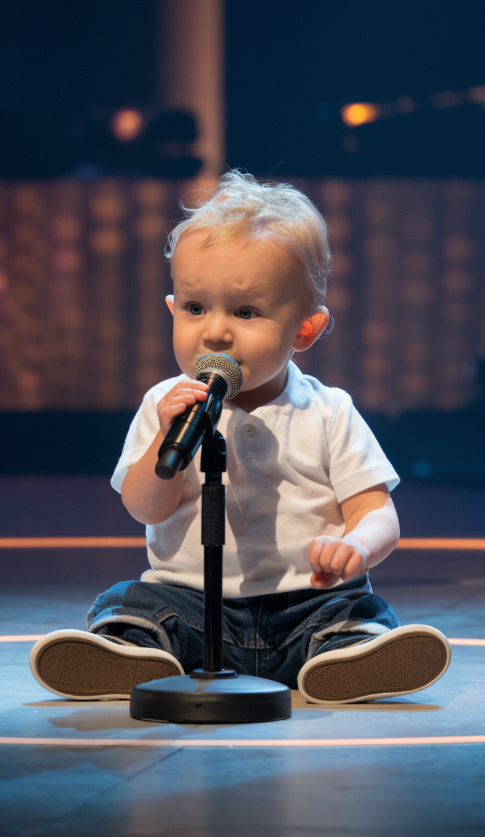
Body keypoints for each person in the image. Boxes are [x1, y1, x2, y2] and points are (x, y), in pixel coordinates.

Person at [30, 171, 451, 704]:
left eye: (246, 312)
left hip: (306, 603)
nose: (216, 331)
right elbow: (143, 508)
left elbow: (378, 511)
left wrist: (355, 546)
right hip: (193, 599)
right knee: (136, 604)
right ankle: (130, 655)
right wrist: (166, 442)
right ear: (172, 309)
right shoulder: (167, 405)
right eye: (195, 307)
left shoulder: (327, 410)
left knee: (351, 613)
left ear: (305, 329)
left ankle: (349, 657)